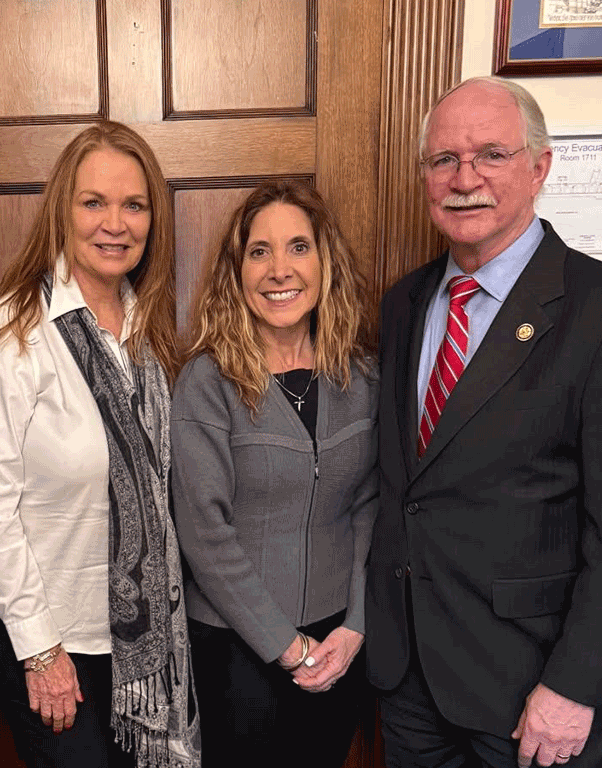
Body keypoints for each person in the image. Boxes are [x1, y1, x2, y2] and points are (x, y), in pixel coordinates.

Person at [366, 75, 602, 768]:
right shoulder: (403, 303)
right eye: (444, 160)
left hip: (536, 695)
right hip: (409, 683)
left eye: (491, 154)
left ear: (539, 167)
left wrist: (578, 686)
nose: (466, 178)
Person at [0, 121, 199, 768]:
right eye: (94, 202)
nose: (114, 223)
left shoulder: (148, 330)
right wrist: (40, 651)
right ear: (62, 211)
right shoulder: (13, 331)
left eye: (134, 204)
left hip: (141, 638)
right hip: (49, 635)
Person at [171, 180, 378, 767]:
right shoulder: (207, 383)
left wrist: (355, 627)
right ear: (236, 270)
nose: (279, 269)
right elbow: (204, 534)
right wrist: (287, 648)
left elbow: (371, 507)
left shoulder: (362, 376)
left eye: (298, 247)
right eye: (259, 251)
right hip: (237, 651)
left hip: (340, 646)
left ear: (324, 261)